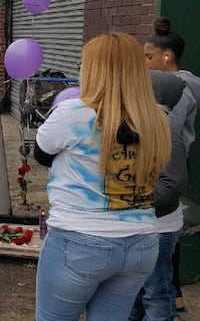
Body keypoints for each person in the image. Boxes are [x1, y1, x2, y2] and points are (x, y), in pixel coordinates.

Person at [34, 32, 171, 321]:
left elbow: (42, 153)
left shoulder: (72, 112)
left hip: (79, 239)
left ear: (93, 69)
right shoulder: (156, 117)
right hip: (141, 243)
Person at [144, 16, 200, 313]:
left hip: (167, 161)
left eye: (148, 56)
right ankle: (172, 293)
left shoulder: (179, 89)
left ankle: (170, 293)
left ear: (167, 57)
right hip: (171, 160)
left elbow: (169, 131)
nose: (145, 62)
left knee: (165, 231)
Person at [129, 71, 195, 321]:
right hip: (141, 223)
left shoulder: (165, 131)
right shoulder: (139, 126)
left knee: (156, 290)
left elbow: (174, 182)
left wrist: (135, 199)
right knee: (135, 288)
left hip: (160, 227)